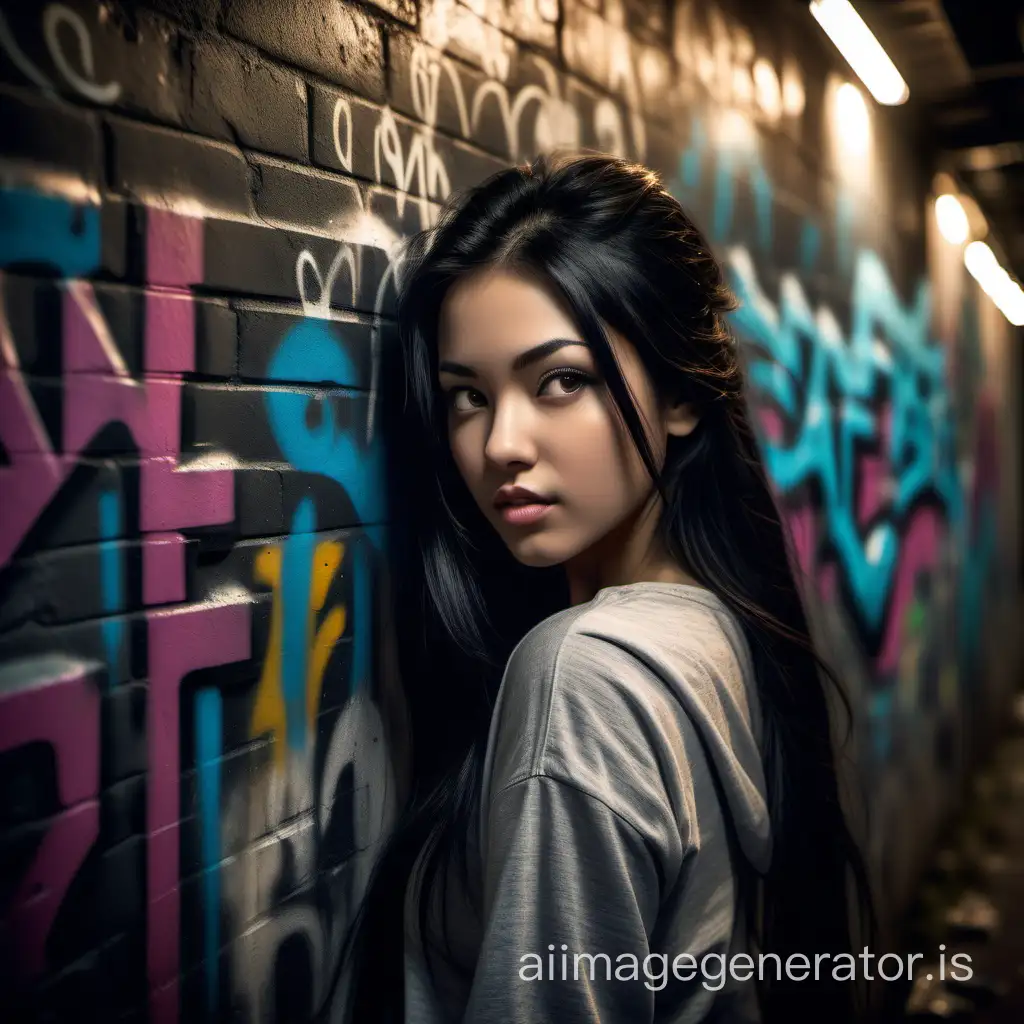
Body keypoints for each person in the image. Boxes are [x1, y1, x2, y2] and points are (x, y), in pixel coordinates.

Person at [336, 152, 874, 1024]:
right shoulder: (722, 630)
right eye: (467, 396)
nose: (501, 442)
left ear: (682, 394)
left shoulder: (582, 675)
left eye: (561, 381)